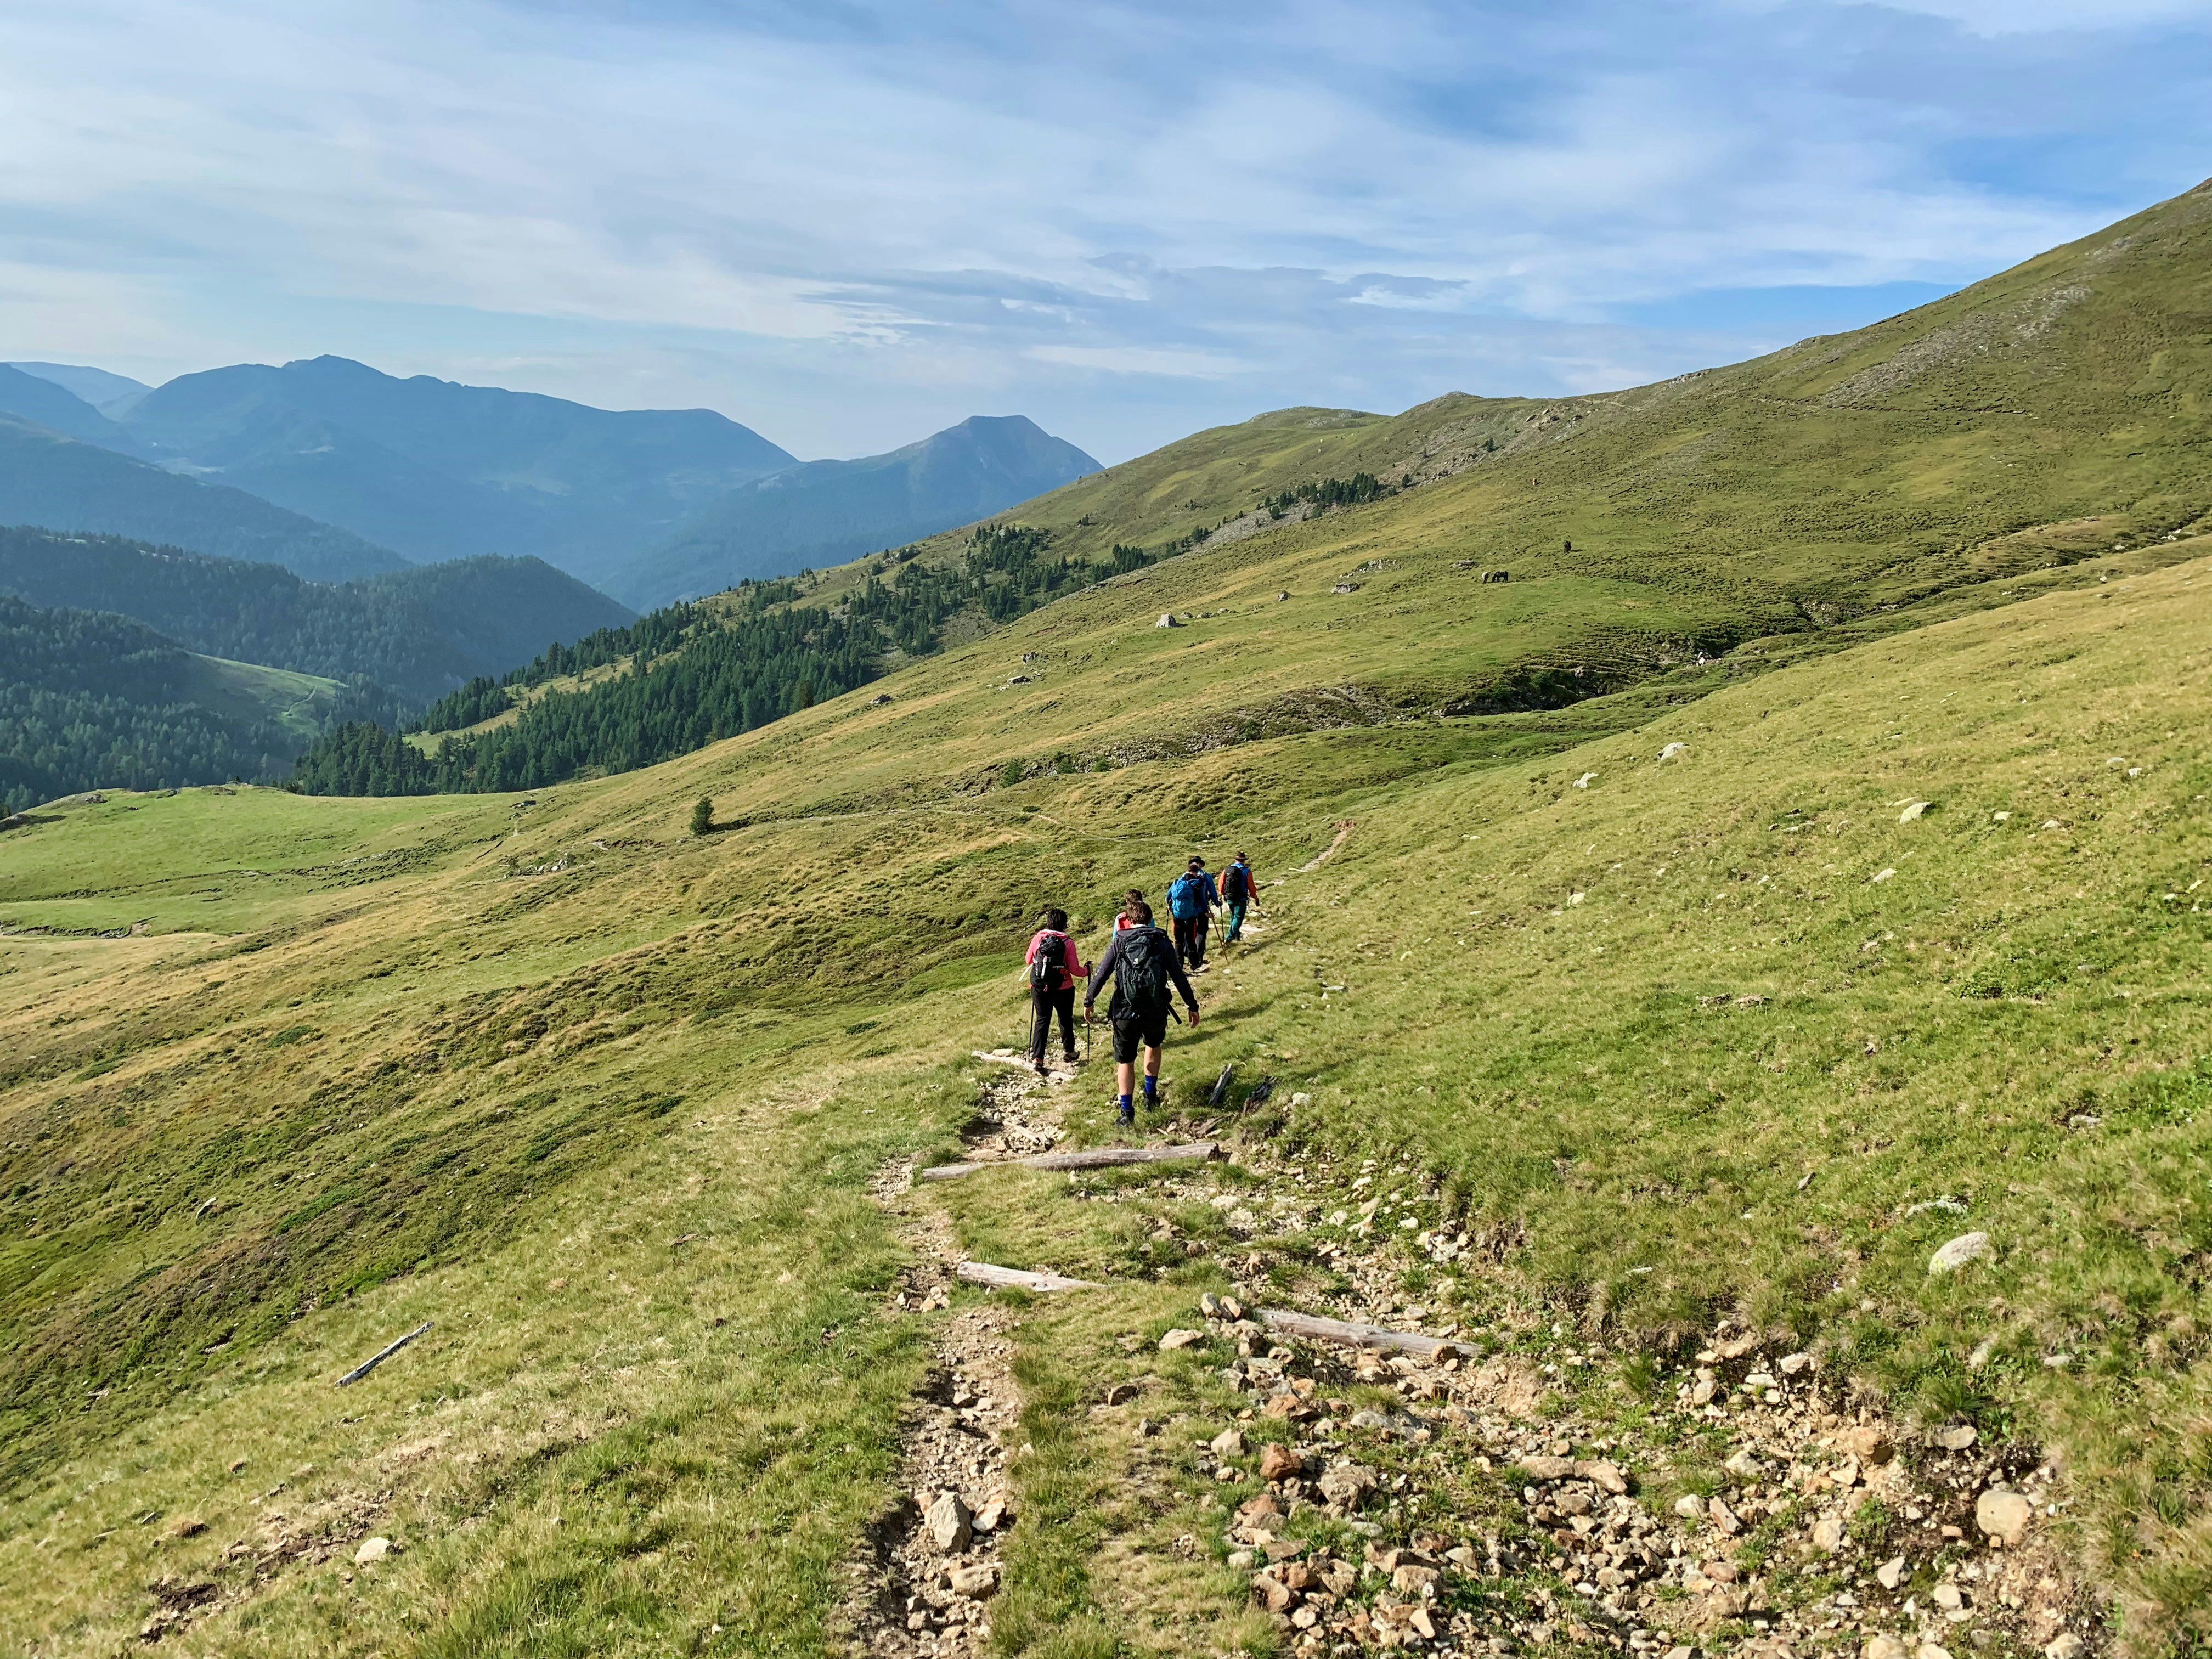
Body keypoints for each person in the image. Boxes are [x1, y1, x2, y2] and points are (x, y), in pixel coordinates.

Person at [1085, 898, 1198, 1125]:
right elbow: (1178, 976)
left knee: (1125, 1061)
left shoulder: (1120, 941)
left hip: (1124, 1012)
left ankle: (1127, 1114)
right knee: (1153, 1046)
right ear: (1149, 919)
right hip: (1155, 1009)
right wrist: (1192, 1006)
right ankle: (1150, 1096)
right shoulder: (1161, 941)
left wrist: (1089, 1000)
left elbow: (1101, 973)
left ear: (1129, 919)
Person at [1024, 906, 1090, 1075]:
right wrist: (1087, 971)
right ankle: (1069, 1052)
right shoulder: (1068, 942)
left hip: (1039, 987)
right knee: (1065, 1019)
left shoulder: (1040, 937)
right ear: (1064, 924)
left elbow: (1028, 959)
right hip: (1064, 988)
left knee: (1042, 1021)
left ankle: (1038, 1058)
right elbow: (1075, 970)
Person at [1166, 856, 1220, 971]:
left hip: (1178, 916)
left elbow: (1168, 897)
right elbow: (1202, 899)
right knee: (1192, 939)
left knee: (1179, 941)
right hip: (1192, 915)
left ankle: (1179, 965)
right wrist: (1210, 910)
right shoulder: (1198, 883)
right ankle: (1195, 963)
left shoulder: (1178, 881)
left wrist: (1170, 906)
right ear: (1196, 872)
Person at [1221, 851, 1259, 945]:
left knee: (1233, 917)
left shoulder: (1227, 870)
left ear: (1236, 859)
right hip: (1241, 898)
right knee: (1238, 918)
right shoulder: (1247, 871)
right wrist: (1255, 896)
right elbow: (1251, 886)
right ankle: (1229, 937)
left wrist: (1222, 894)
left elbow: (1221, 883)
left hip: (1229, 897)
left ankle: (1236, 936)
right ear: (1244, 860)